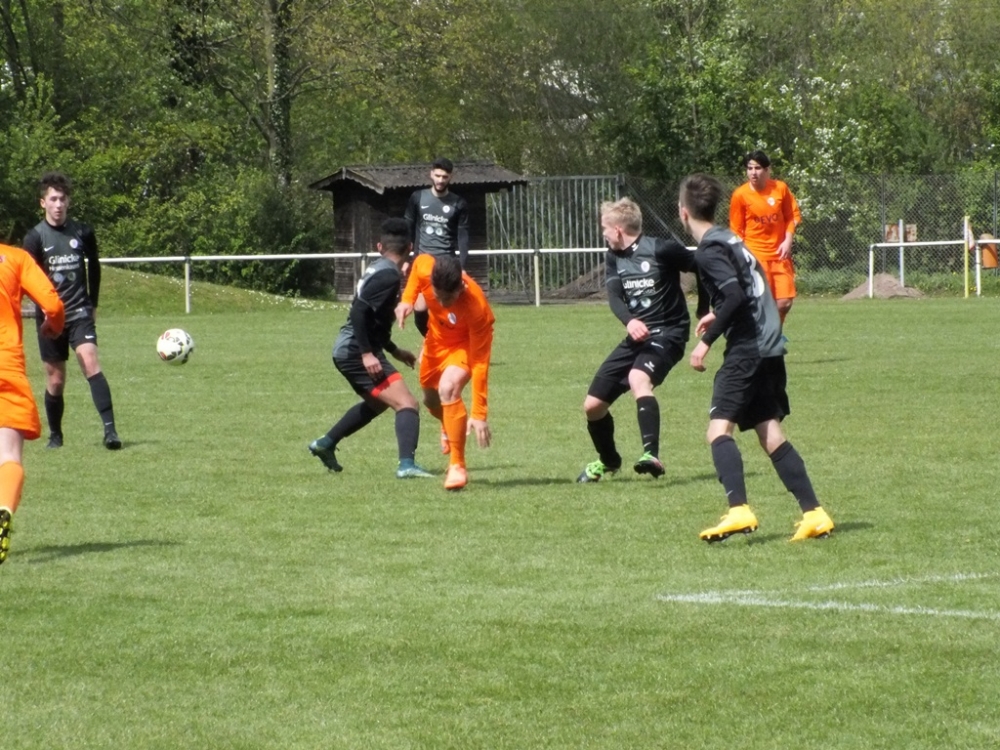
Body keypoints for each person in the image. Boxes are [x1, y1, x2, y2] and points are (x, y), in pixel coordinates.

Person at [678, 173, 834, 542]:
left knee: (718, 430)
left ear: (683, 212)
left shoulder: (710, 249)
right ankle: (815, 514)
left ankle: (739, 511)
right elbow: (748, 287)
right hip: (769, 343)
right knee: (770, 432)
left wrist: (706, 342)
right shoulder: (731, 239)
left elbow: (734, 294)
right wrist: (720, 314)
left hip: (748, 347)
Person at [576, 197, 707, 483]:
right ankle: (609, 460)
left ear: (618, 229)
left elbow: (702, 266)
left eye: (604, 228)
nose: (603, 234)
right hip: (636, 336)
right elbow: (615, 297)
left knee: (638, 379)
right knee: (592, 406)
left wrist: (704, 307)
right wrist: (630, 321)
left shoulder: (662, 249)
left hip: (669, 333)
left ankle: (651, 455)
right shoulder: (614, 257)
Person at [308, 218, 433, 479]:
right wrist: (367, 353)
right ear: (410, 247)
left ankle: (325, 443)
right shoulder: (389, 275)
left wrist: (393, 349)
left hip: (350, 347)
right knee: (407, 404)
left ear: (379, 246)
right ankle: (407, 466)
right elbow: (358, 311)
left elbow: (372, 318)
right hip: (355, 349)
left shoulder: (378, 268)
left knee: (377, 403)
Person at [24, 171, 122, 449]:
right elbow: (28, 278)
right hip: (50, 317)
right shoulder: (34, 238)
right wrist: (43, 309)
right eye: (53, 199)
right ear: (43, 203)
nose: (58, 204)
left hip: (79, 311)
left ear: (68, 201)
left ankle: (111, 432)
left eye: (62, 199)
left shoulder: (82, 232)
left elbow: (95, 267)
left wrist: (94, 303)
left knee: (90, 361)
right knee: (56, 380)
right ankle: (56, 436)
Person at [395, 253, 494, 491]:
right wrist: (407, 299)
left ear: (460, 288)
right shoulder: (427, 269)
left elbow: (480, 363)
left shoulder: (476, 307)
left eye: (448, 298)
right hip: (435, 342)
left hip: (464, 345)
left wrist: (479, 413)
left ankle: (457, 465)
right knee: (430, 400)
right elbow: (418, 264)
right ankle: (448, 423)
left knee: (448, 389)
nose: (441, 303)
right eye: (437, 296)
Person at [0, 242, 65, 564]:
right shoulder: (15, 258)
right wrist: (54, 325)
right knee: (8, 455)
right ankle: (3, 508)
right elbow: (52, 303)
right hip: (6, 365)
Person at [728, 150, 801, 326]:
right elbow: (736, 230)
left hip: (780, 255)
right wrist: (741, 255)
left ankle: (774, 333)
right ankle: (766, 337)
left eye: (758, 168)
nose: (753, 172)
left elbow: (792, 217)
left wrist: (788, 240)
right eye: (750, 168)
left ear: (768, 170)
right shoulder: (740, 195)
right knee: (761, 303)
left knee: (784, 302)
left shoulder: (780, 189)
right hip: (756, 255)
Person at [403, 157, 470, 268]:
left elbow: (463, 237)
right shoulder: (417, 197)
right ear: (431, 174)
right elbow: (407, 229)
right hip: (421, 261)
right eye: (437, 176)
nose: (440, 180)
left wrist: (462, 267)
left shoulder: (459, 203)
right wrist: (405, 260)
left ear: (451, 177)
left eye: (445, 177)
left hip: (447, 263)